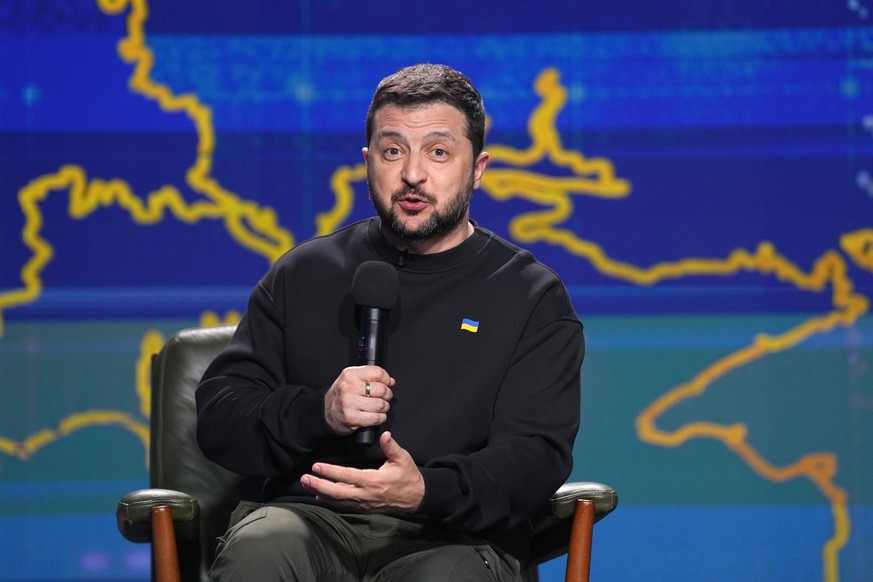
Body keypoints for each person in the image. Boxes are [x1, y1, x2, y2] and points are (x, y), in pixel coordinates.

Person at [196, 63, 585, 581]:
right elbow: (221, 417)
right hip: (312, 520)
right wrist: (319, 412)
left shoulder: (529, 296)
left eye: (439, 152)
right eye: (393, 150)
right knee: (261, 549)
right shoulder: (305, 273)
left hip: (450, 534)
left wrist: (425, 489)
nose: (413, 175)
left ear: (478, 168)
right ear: (367, 162)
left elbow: (535, 457)